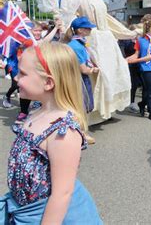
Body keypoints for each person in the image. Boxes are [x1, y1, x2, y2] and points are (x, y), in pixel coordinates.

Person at [27, 0, 137, 124]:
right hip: (91, 43)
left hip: (106, 42)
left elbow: (106, 19)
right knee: (93, 80)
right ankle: (84, 115)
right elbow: (68, 24)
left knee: (109, 79)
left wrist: (126, 33)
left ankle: (102, 112)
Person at [2, 42, 102, 223]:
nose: (16, 78)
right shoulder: (35, 112)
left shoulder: (62, 132)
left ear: (48, 82)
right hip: (23, 208)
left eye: (23, 73)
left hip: (45, 215)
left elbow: (62, 194)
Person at [126, 19, 151, 121]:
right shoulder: (140, 40)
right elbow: (136, 54)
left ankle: (142, 104)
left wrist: (136, 60)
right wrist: (126, 59)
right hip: (145, 68)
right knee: (150, 91)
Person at [66, 17, 100, 114]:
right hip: (79, 80)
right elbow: (84, 69)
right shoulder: (76, 46)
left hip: (77, 78)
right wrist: (93, 70)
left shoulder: (80, 43)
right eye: (88, 28)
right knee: (82, 108)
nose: (90, 29)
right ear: (80, 30)